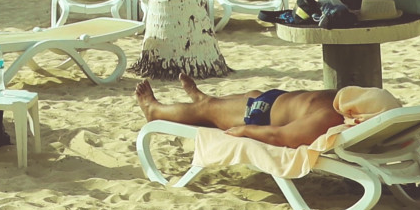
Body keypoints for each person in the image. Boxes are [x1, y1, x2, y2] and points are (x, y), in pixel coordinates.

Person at [135, 76, 352, 148]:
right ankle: (204, 98)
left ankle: (155, 111)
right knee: (251, 93)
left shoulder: (327, 118)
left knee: (207, 110)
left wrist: (246, 130)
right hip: (272, 99)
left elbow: (280, 135)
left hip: (261, 115)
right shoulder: (346, 101)